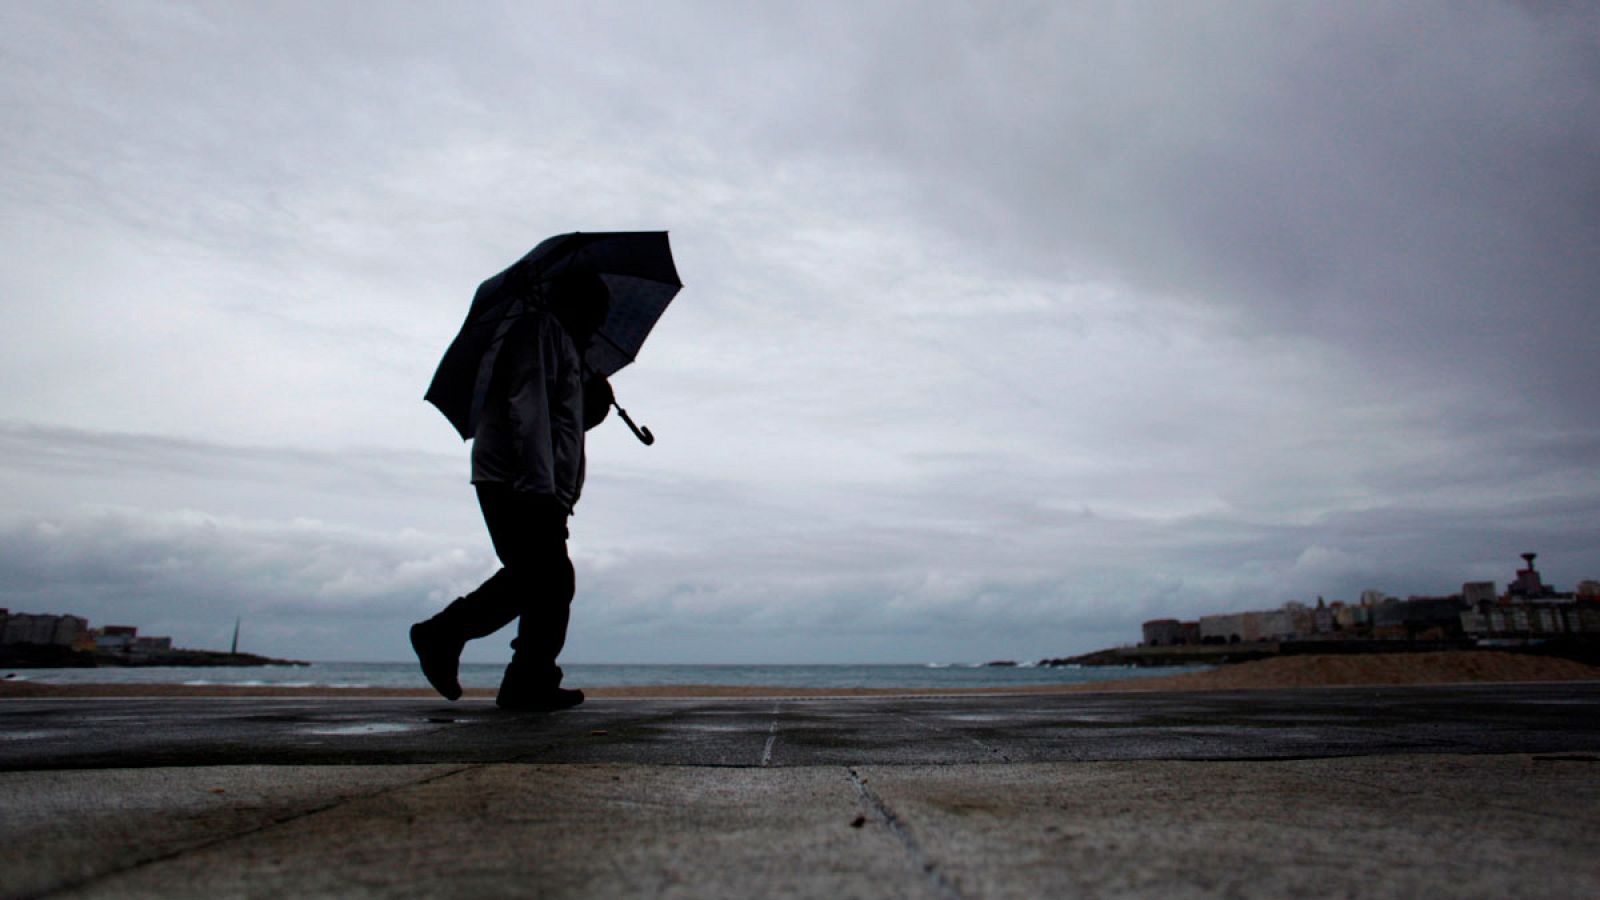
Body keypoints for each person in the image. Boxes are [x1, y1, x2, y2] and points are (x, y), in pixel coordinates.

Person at [410, 269, 611, 711]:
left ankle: (522, 675)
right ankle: (454, 640)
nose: (598, 325)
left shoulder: (564, 345)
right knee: (545, 576)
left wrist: (591, 406)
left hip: (534, 481)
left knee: (544, 578)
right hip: (516, 478)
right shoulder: (540, 331)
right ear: (579, 305)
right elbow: (529, 408)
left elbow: (562, 423)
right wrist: (540, 490)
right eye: (597, 313)